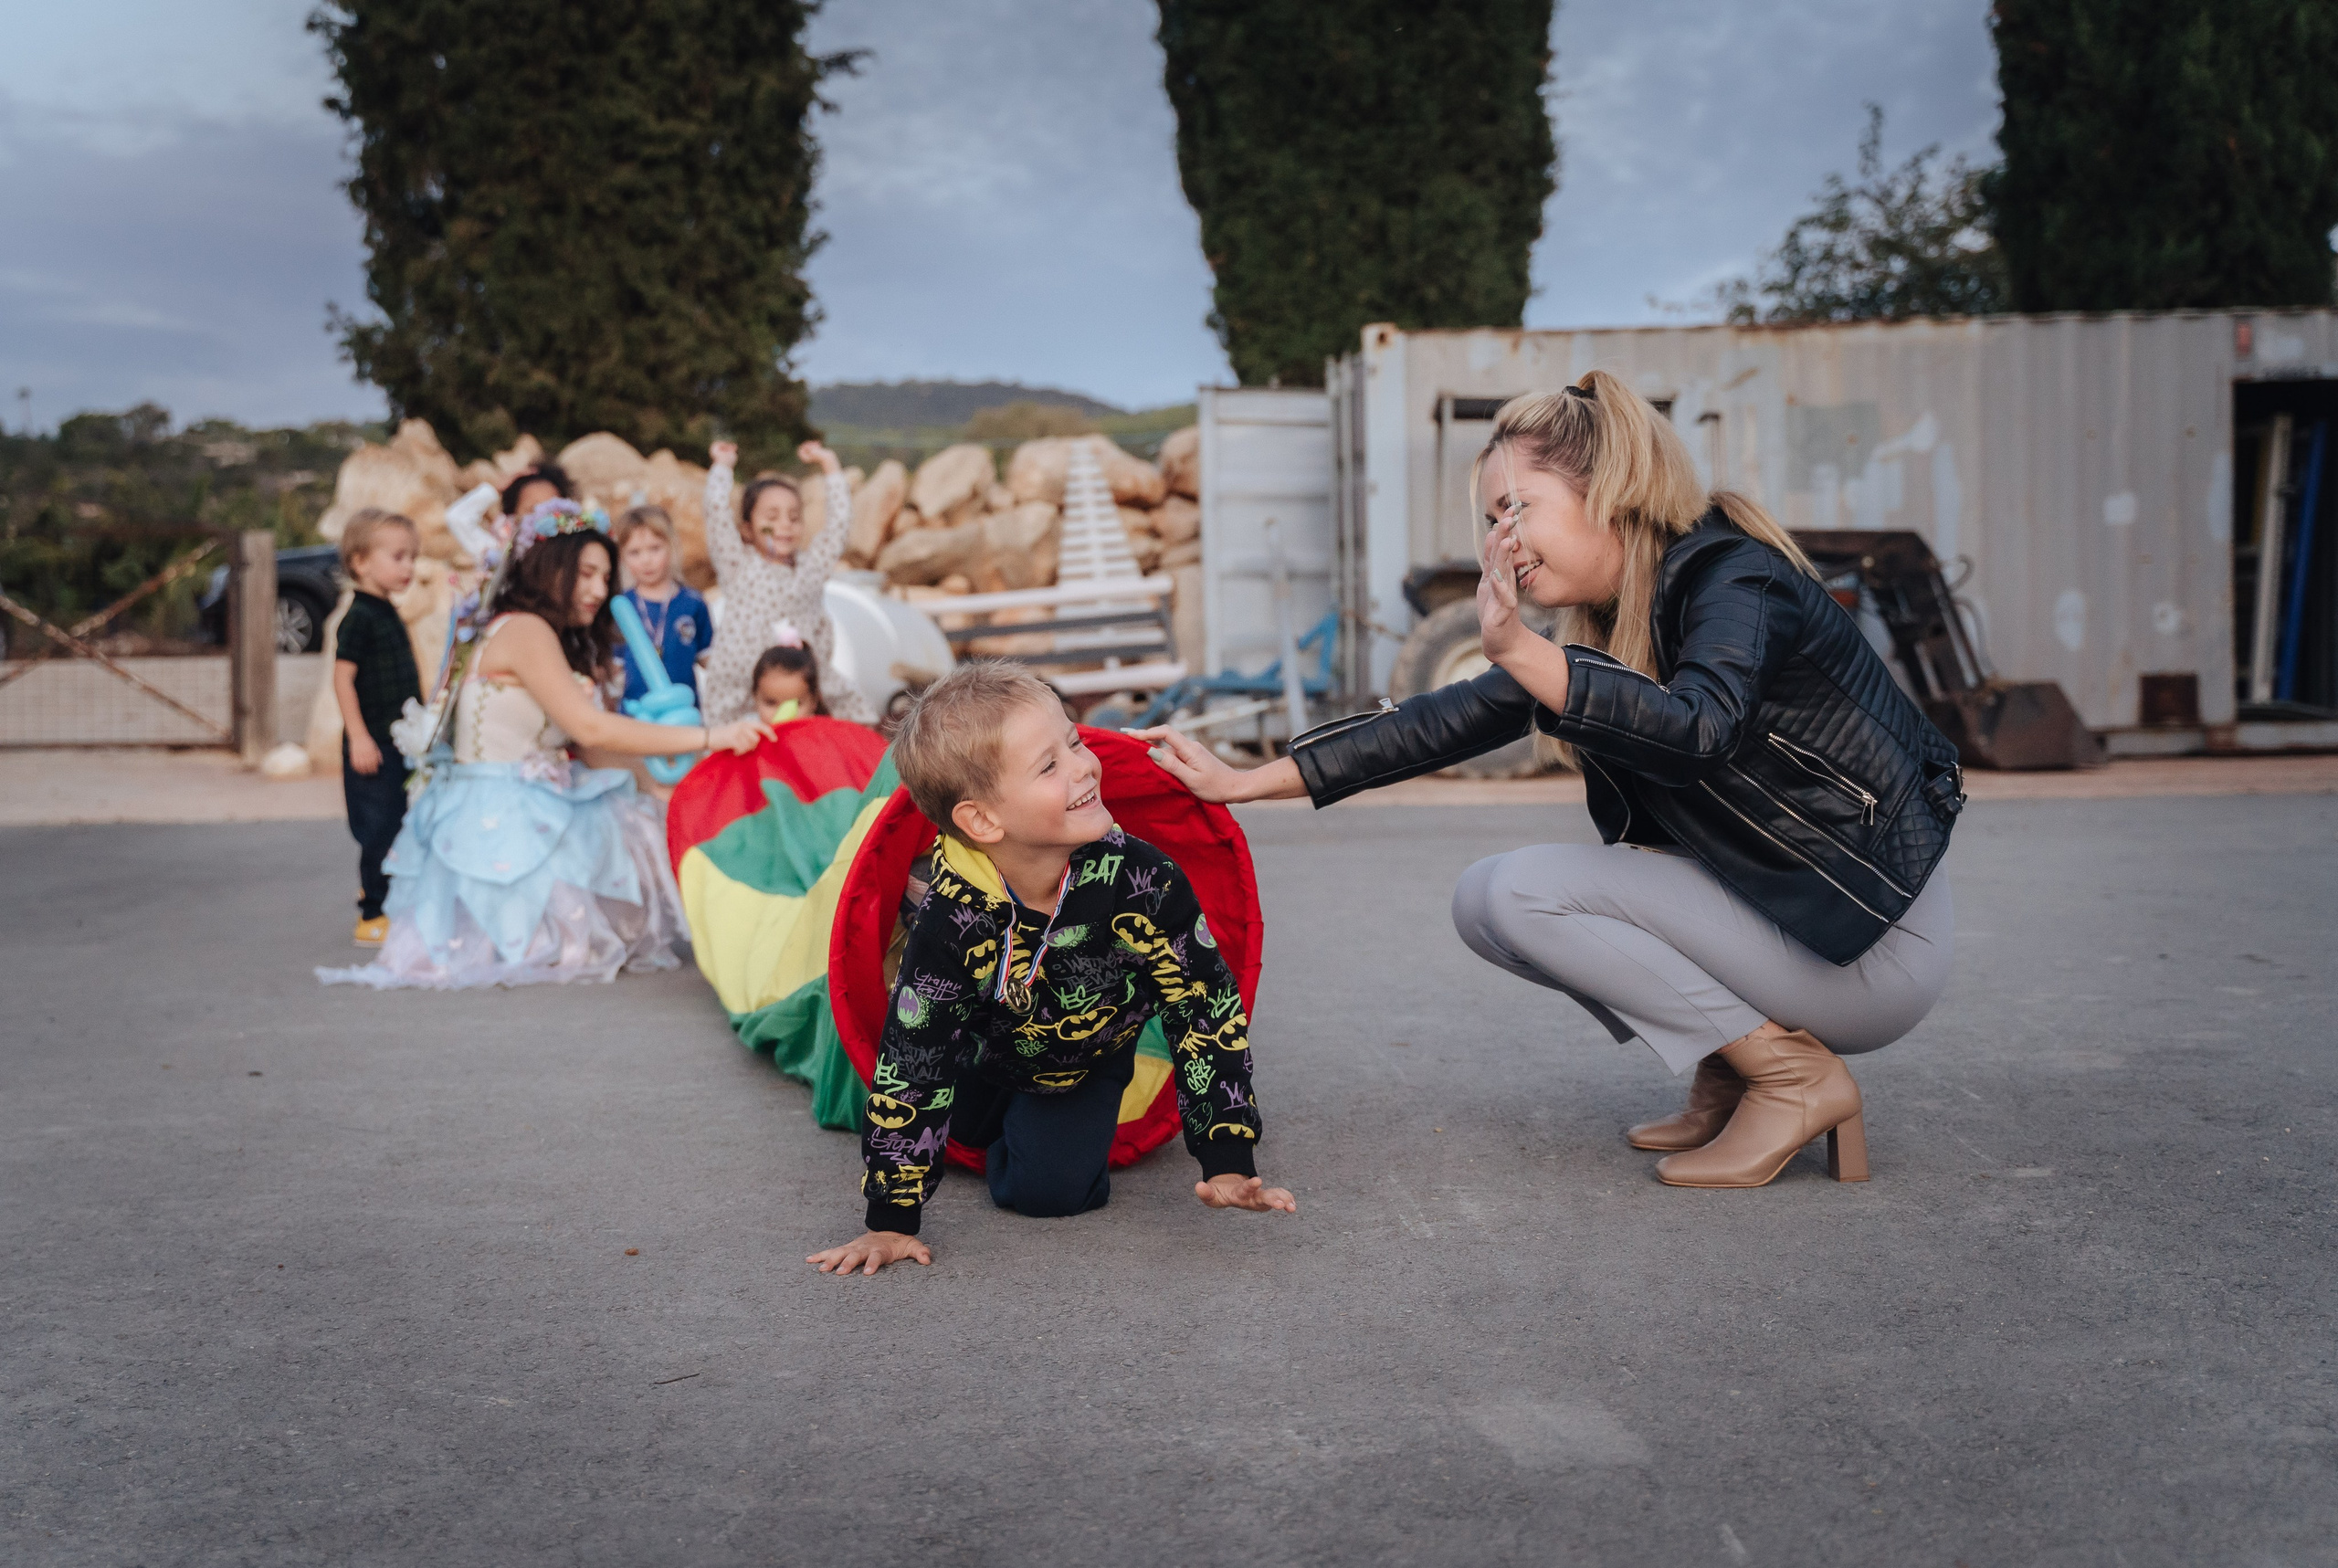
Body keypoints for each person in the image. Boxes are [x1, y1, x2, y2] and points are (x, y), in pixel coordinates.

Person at [1138, 370, 1964, 1191]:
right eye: (1492, 519)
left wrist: (1525, 651)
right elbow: (1436, 721)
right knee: (1484, 900)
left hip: (1869, 942)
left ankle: (1793, 1079)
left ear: (1611, 490)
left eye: (1518, 508)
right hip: (1793, 916)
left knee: (1524, 893)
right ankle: (1738, 1064)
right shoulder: (1611, 622)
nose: (1502, 539)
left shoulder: (1736, 580)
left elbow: (1700, 729)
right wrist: (1246, 780)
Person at [809, 661, 1296, 1278]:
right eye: (1049, 766)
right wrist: (891, 1219)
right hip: (981, 1053)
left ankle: (1030, 1130)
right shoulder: (951, 918)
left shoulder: (1143, 881)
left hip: (1083, 1060)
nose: (1084, 766)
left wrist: (1227, 1156)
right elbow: (914, 1059)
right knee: (934, 1100)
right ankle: (985, 1117)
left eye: (1074, 742)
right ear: (984, 820)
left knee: (1049, 1194)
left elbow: (1203, 1006)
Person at [319, 501, 773, 990]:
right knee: (615, 845)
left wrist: (668, 786)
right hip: (501, 818)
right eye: (586, 574)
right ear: (551, 570)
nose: (599, 590)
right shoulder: (525, 630)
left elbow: (587, 747)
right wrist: (710, 736)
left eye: (606, 577)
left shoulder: (537, 631)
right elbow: (591, 728)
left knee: (644, 811)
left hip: (517, 800)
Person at [701, 439, 873, 726]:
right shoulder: (738, 565)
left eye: (794, 517)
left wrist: (829, 464)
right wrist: (722, 467)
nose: (785, 525)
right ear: (747, 529)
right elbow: (716, 514)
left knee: (855, 714)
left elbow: (838, 525)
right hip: (743, 688)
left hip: (805, 682)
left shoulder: (812, 566)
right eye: (772, 517)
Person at [329, 509, 422, 948]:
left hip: (398, 740)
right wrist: (359, 737)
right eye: (398, 557)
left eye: (412, 558)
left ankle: (390, 898)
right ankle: (373, 914)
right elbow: (342, 679)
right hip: (375, 743)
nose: (409, 567)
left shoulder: (386, 611)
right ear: (361, 562)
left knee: (398, 823)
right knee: (379, 827)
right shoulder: (360, 617)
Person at [612, 505, 713, 705]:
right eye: (634, 552)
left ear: (671, 546)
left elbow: (709, 659)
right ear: (622, 557)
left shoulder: (693, 602)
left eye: (655, 548)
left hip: (683, 712)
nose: (646, 560)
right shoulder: (621, 607)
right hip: (635, 712)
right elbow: (612, 667)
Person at [749, 626, 825, 723]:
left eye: (795, 704)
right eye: (771, 702)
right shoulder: (748, 728)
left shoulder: (823, 730)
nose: (783, 715)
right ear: (755, 698)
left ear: (814, 702)